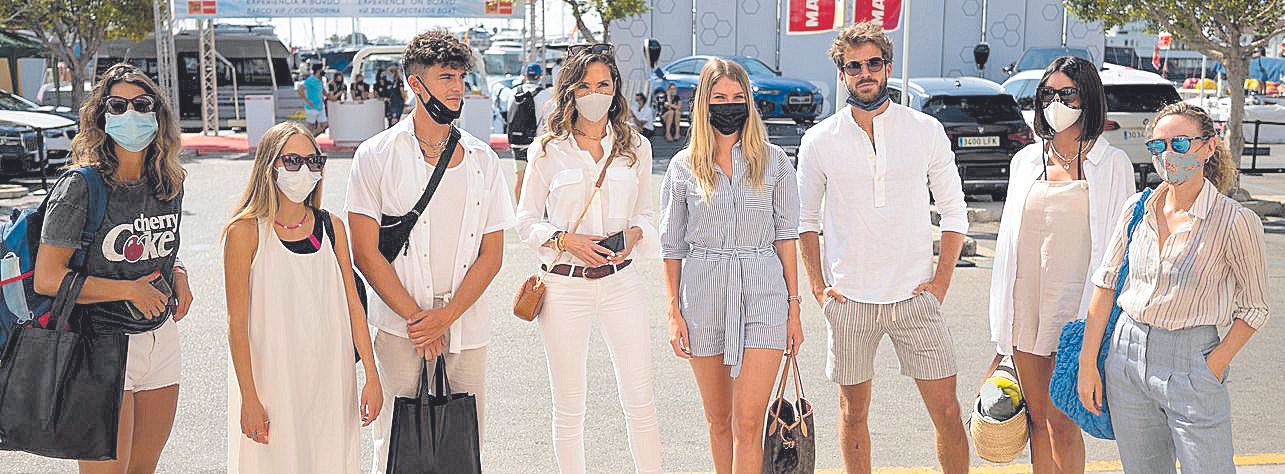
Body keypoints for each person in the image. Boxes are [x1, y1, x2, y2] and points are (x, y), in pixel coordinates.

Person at [796, 21, 970, 473]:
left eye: (873, 63)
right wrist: (819, 290)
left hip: (916, 298)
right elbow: (805, 222)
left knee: (948, 412)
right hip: (850, 300)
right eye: (854, 66)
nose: (865, 73)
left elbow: (955, 212)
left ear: (888, 67)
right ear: (842, 75)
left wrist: (942, 282)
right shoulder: (818, 141)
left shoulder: (926, 130)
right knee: (853, 415)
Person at [346, 30, 515, 473]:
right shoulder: (375, 155)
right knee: (397, 442)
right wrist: (419, 321)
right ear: (414, 84)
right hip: (399, 329)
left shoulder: (483, 159)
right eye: (445, 77)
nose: (457, 86)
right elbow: (364, 253)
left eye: (460, 75)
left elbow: (493, 253)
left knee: (464, 441)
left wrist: (446, 317)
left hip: (466, 325)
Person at [1078, 102, 1269, 473]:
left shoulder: (1235, 221)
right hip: (1126, 359)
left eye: (1180, 143)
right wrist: (1088, 363)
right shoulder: (1137, 208)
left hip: (1192, 362)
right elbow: (1105, 284)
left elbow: (1255, 307)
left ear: (1209, 146)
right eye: (1157, 146)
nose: (1167, 155)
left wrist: (1212, 366)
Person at [34, 63, 193, 473]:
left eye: (142, 105)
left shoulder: (168, 182)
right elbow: (48, 278)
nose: (131, 115)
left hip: (161, 339)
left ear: (158, 115)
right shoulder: (80, 186)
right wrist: (127, 290)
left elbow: (157, 248)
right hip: (99, 344)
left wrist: (179, 273)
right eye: (117, 106)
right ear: (101, 117)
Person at [515, 45, 661, 474]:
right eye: (584, 86)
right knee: (569, 404)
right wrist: (565, 240)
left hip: (621, 283)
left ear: (615, 88)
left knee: (640, 398)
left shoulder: (636, 146)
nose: (595, 93)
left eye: (603, 84)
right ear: (570, 92)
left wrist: (635, 234)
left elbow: (646, 214)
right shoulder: (547, 149)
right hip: (563, 286)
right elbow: (525, 220)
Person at [987, 55, 1134, 472]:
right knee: (1036, 419)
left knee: (1063, 421)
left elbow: (1119, 248)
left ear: (1087, 97)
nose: (1057, 101)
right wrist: (1000, 332)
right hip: (1026, 309)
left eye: (1067, 92)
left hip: (1079, 311)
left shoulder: (1111, 164)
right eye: (1049, 93)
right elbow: (1007, 247)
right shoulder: (1026, 162)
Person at [660, 58, 803, 471]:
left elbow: (786, 237)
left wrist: (794, 309)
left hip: (763, 294)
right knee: (718, 420)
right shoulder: (682, 167)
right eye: (720, 97)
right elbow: (671, 247)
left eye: (739, 97)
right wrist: (673, 313)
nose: (730, 105)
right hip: (703, 296)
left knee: (748, 421)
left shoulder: (774, 161)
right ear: (704, 103)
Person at [223, 122, 382, 472]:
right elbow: (237, 324)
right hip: (272, 381)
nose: (305, 170)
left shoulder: (332, 227)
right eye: (292, 161)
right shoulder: (244, 232)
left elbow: (353, 306)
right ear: (270, 166)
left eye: (314, 161)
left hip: (330, 379)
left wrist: (371, 374)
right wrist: (249, 397)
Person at [506, 63, 547, 201]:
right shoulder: (545, 95)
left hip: (517, 141)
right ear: (540, 76)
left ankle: (519, 212)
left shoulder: (513, 92)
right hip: (537, 142)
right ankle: (537, 211)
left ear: (525, 76)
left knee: (520, 176)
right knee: (538, 178)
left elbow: (508, 114)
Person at [297, 64, 328, 136]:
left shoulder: (321, 80)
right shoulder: (310, 80)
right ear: (318, 70)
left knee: (324, 125)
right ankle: (308, 139)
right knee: (310, 126)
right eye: (322, 69)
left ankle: (312, 137)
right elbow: (300, 90)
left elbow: (322, 90)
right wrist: (307, 101)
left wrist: (328, 95)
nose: (323, 71)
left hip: (320, 107)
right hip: (311, 107)